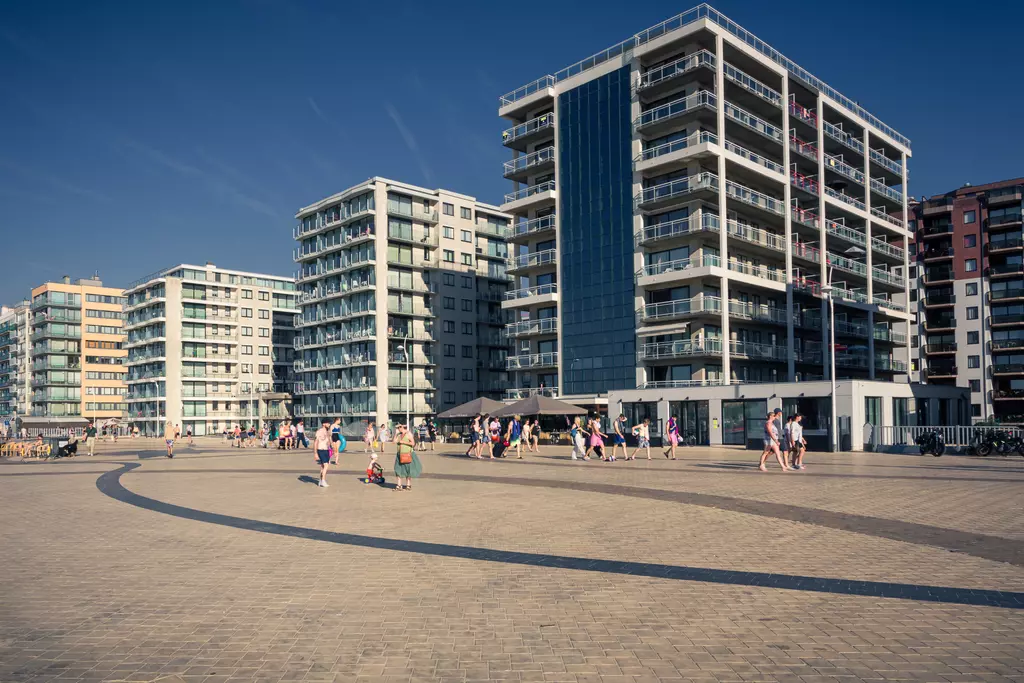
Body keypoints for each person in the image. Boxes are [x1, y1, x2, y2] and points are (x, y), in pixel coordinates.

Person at [392, 423, 422, 492]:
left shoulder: (408, 434)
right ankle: (399, 485)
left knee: (408, 470)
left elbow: (413, 443)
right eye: (397, 428)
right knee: (397, 469)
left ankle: (408, 485)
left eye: (399, 427)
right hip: (399, 454)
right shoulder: (399, 434)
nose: (398, 429)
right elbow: (393, 442)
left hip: (407, 454)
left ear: (402, 427)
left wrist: (404, 442)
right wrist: (396, 434)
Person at [313, 418, 332, 488]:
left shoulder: (328, 432)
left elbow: (329, 441)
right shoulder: (319, 431)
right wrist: (315, 453)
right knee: (326, 465)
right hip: (320, 450)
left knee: (323, 466)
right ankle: (323, 481)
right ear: (324, 424)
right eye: (328, 423)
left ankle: (320, 480)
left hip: (327, 450)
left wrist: (331, 448)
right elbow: (316, 442)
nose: (329, 424)